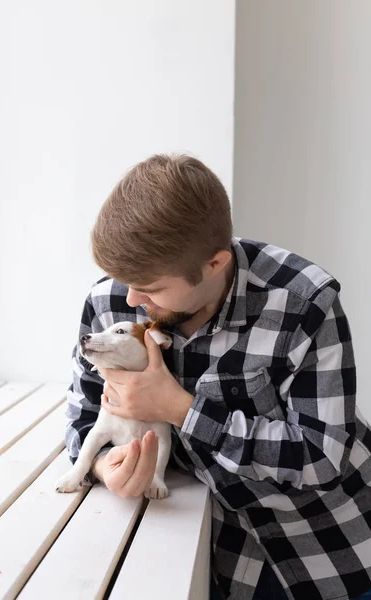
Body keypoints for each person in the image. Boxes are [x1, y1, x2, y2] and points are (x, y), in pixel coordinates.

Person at [65, 154, 371, 600]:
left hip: (330, 551)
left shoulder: (304, 302)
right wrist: (101, 467)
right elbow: (82, 414)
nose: (130, 299)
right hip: (212, 558)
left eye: (149, 287)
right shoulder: (111, 299)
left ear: (214, 265)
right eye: (123, 280)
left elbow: (323, 457)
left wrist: (180, 409)